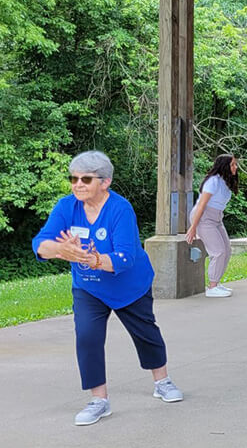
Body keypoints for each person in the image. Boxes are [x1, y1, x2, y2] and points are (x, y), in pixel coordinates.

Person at [32, 151, 183, 426]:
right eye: (73, 178)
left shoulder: (120, 208)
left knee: (146, 333)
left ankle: (162, 381)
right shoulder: (66, 207)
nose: (77, 184)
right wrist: (61, 249)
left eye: (85, 179)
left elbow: (125, 257)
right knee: (87, 337)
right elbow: (40, 244)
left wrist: (96, 259)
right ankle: (98, 400)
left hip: (129, 286)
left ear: (105, 182)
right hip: (88, 288)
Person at [184, 153, 238, 298]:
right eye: (232, 164)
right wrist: (193, 227)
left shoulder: (225, 181)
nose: (235, 167)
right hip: (203, 218)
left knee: (227, 249)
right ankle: (212, 287)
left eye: (235, 164)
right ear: (224, 166)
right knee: (218, 251)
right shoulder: (213, 181)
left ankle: (216, 283)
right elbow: (201, 205)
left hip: (216, 218)